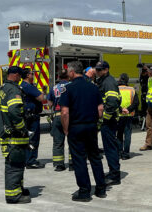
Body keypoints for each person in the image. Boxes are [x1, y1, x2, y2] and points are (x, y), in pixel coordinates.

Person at [59, 61, 106, 201]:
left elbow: (64, 113)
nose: (67, 73)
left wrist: (66, 130)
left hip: (76, 127)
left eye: (68, 71)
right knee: (95, 157)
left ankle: (84, 192)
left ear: (72, 72)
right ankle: (101, 189)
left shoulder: (68, 89)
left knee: (79, 160)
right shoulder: (93, 88)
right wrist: (95, 123)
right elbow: (100, 109)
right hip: (91, 127)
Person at [0, 66, 31, 204]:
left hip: (6, 132)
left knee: (18, 163)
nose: (21, 78)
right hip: (14, 135)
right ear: (15, 75)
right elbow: (14, 111)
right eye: (20, 75)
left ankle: (18, 189)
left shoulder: (4, 88)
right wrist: (22, 128)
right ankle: (13, 196)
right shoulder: (13, 90)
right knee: (14, 165)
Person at [95, 61, 121, 185]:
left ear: (106, 70)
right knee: (109, 147)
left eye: (100, 70)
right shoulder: (103, 81)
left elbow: (112, 102)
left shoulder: (109, 82)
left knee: (110, 148)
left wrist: (104, 118)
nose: (98, 72)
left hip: (109, 121)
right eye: (97, 69)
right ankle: (112, 171)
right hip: (107, 121)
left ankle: (115, 176)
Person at [47, 69, 73, 171]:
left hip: (57, 116)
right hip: (69, 115)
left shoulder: (53, 88)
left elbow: (49, 104)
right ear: (68, 76)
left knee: (58, 142)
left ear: (58, 77)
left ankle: (59, 165)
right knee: (72, 141)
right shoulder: (71, 86)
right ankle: (73, 164)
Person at [20, 68, 46, 169]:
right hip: (32, 116)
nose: (33, 75)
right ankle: (31, 161)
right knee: (33, 139)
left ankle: (27, 159)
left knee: (27, 138)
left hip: (26, 115)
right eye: (32, 73)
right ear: (27, 75)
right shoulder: (28, 86)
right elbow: (41, 98)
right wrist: (43, 91)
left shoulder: (22, 85)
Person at [117, 73, 139, 160]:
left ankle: (119, 153)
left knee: (119, 134)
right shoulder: (132, 89)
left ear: (120, 80)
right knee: (127, 135)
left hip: (119, 115)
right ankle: (126, 154)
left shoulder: (116, 89)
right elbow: (136, 103)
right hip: (129, 115)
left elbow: (114, 102)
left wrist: (121, 109)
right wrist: (128, 110)